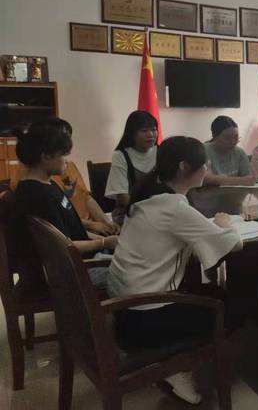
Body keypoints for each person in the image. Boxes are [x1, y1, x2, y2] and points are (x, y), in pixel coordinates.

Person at [108, 136, 243, 405]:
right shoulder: (174, 207)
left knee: (213, 292)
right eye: (203, 164)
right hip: (146, 319)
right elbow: (233, 244)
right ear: (184, 167)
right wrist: (225, 223)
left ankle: (175, 363)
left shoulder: (149, 196)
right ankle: (177, 366)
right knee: (236, 305)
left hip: (124, 311)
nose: (206, 169)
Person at [13, 123, 118, 290]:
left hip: (83, 260)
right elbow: (64, 246)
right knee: (142, 270)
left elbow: (72, 231)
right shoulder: (37, 195)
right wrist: (104, 242)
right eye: (63, 155)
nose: (67, 161)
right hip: (74, 272)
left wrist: (108, 240)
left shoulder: (47, 184)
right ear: (46, 157)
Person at [10, 117, 118, 236]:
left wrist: (107, 223)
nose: (66, 142)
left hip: (83, 233)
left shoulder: (56, 174)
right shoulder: (32, 183)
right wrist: (99, 237)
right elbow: (56, 234)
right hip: (77, 235)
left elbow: (86, 198)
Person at [105, 111, 158, 224]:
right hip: (130, 214)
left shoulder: (161, 151)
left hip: (159, 212)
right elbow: (122, 196)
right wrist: (149, 211)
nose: (151, 134)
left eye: (154, 129)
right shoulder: (121, 155)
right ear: (132, 133)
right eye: (144, 131)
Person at [203, 116, 256, 186]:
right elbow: (206, 179)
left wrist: (218, 179)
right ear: (214, 136)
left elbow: (249, 179)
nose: (232, 142)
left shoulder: (240, 153)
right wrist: (241, 181)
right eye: (227, 138)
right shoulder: (203, 150)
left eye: (236, 137)